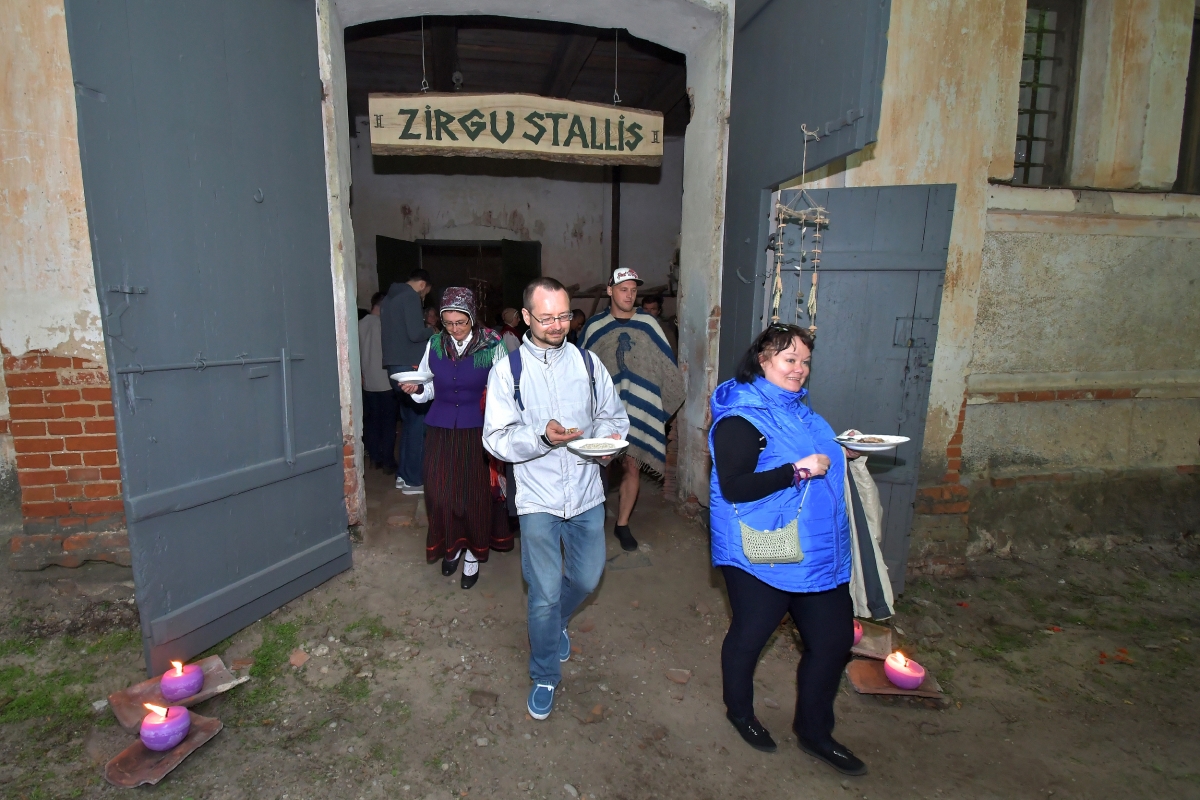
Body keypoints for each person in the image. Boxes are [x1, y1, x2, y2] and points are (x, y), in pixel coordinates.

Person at [708, 324, 866, 777]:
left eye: (805, 361)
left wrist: (843, 451)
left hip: (815, 549)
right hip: (764, 547)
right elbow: (735, 486)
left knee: (833, 642)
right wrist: (796, 471)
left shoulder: (800, 408)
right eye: (789, 359)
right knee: (751, 634)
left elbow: (813, 454)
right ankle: (740, 711)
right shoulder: (740, 418)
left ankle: (815, 732)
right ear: (763, 361)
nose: (799, 369)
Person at [482, 277, 629, 721]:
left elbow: (612, 416)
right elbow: (495, 438)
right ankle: (545, 672)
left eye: (564, 316)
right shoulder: (508, 370)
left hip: (586, 491)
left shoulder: (587, 363)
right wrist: (541, 437)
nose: (558, 325)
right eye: (547, 318)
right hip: (537, 498)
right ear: (527, 316)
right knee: (544, 593)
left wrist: (607, 443)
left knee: (586, 578)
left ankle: (557, 622)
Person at [401, 288, 512, 589]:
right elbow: (428, 386)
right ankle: (452, 546)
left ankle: (473, 553)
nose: (454, 329)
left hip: (478, 430)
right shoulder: (435, 343)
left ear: (472, 318)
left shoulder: (493, 344)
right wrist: (417, 389)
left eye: (460, 322)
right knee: (440, 493)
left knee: (473, 496)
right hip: (440, 429)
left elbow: (506, 388)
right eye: (448, 323)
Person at [578, 268, 683, 551]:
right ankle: (590, 521)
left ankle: (622, 524)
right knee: (597, 468)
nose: (629, 295)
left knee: (631, 465)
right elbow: (579, 368)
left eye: (633, 290)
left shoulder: (648, 324)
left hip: (639, 407)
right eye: (623, 289)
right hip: (601, 410)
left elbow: (665, 367)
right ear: (610, 291)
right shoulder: (595, 327)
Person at [381, 269, 434, 495]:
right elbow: (415, 334)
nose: (424, 296)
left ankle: (403, 475)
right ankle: (414, 480)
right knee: (418, 423)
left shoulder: (389, 298)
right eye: (426, 292)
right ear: (422, 284)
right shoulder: (410, 296)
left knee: (408, 423)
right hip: (410, 366)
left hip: (394, 366)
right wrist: (431, 331)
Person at [358, 292, 397, 474]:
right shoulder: (385, 325)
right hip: (386, 381)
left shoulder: (360, 324)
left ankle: (375, 458)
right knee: (388, 424)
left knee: (372, 422)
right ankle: (388, 461)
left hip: (367, 381)